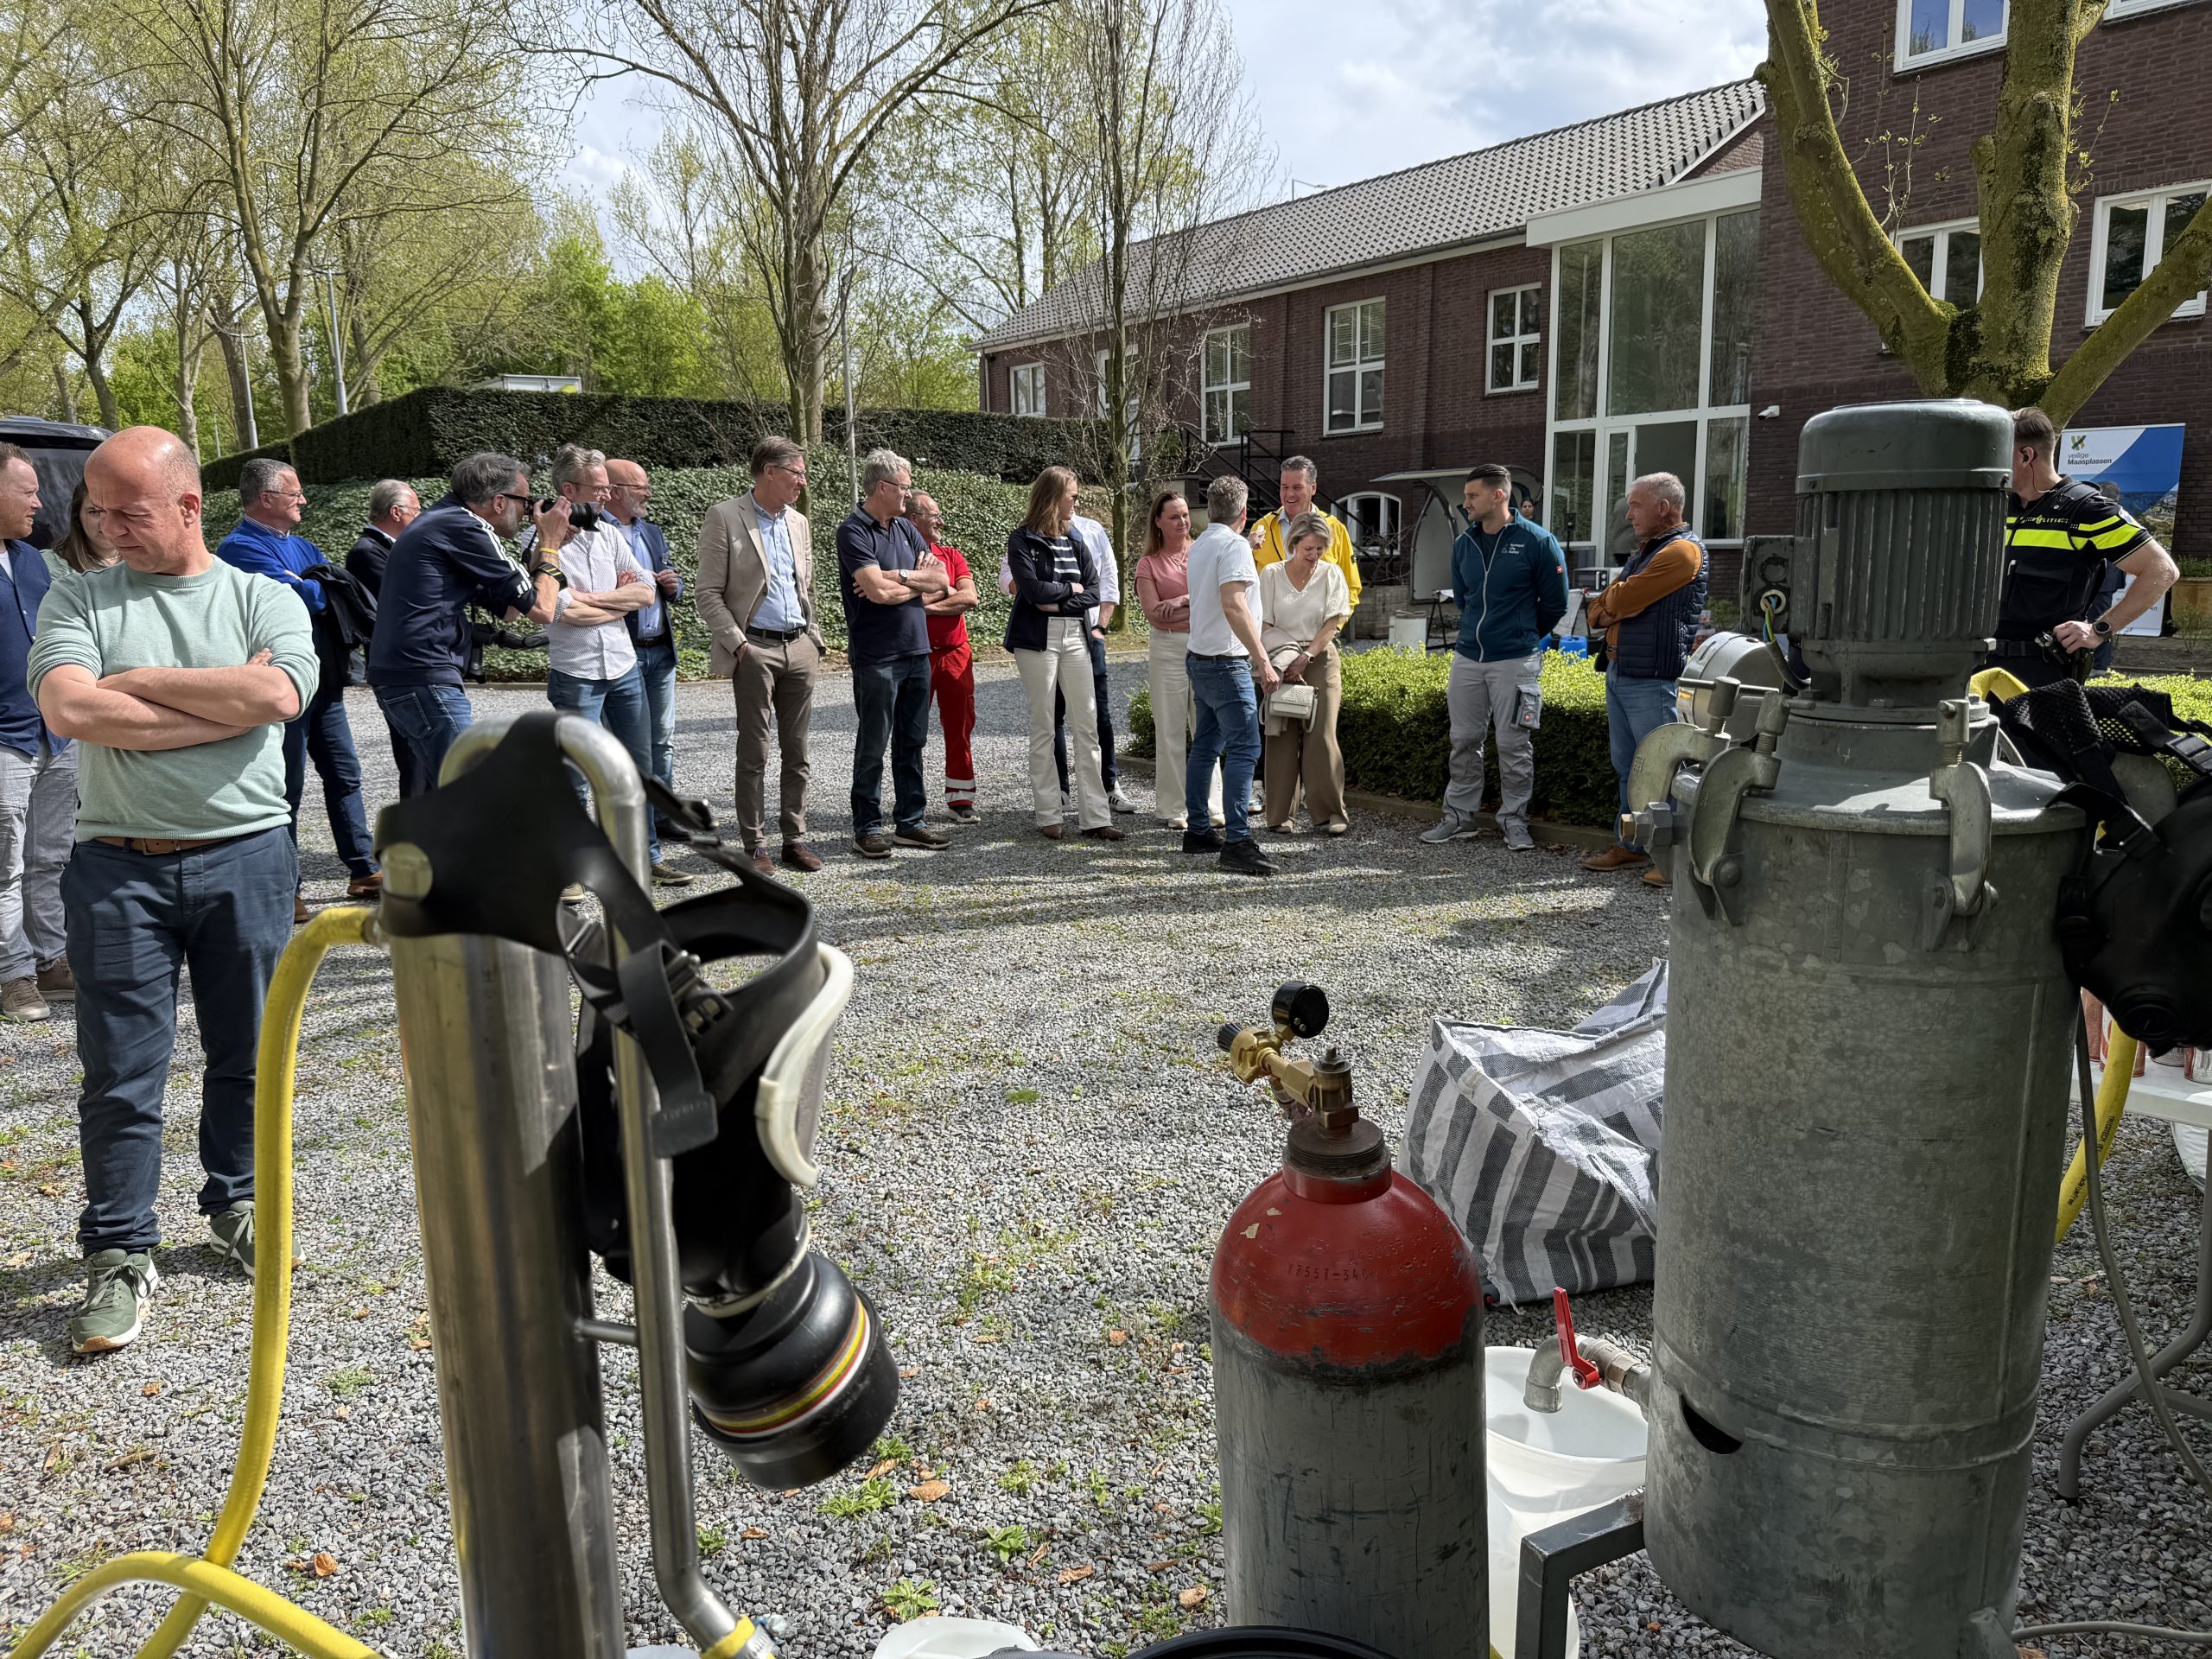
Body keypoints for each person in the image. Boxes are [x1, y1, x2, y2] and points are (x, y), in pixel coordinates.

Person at [28, 427, 320, 1354]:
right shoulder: (76, 595)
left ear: (190, 505)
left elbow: (278, 699)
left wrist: (141, 684)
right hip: (116, 864)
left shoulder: (263, 596)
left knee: (251, 1054)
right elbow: (71, 709)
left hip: (247, 856)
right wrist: (214, 709)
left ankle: (236, 1202)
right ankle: (119, 1252)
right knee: (120, 1072)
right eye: (97, 511)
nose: (108, 528)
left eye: (129, 511)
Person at [216, 460, 381, 914]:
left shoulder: (303, 544)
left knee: (345, 776)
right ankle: (286, 889)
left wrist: (317, 586)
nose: (303, 500)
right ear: (266, 499)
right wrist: (317, 586)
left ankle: (363, 869)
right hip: (280, 686)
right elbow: (305, 595)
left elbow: (334, 591)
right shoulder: (238, 548)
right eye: (295, 494)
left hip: (323, 684)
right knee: (285, 788)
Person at [365, 453, 567, 791]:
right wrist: (550, 544)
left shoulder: (443, 521)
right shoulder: (466, 526)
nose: (528, 511)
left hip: (406, 676)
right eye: (525, 501)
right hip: (424, 674)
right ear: (499, 501)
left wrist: (546, 550)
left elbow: (511, 609)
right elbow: (542, 611)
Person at [523, 445, 665, 874]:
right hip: (576, 671)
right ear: (569, 489)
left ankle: (645, 857)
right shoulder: (543, 544)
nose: (607, 496)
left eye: (607, 488)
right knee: (576, 775)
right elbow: (566, 611)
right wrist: (616, 604)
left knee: (637, 767)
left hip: (623, 666)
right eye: (599, 488)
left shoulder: (609, 534)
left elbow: (647, 591)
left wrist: (593, 598)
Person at [1421, 463, 1568, 852]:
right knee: (1464, 740)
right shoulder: (1464, 544)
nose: (1465, 502)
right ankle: (1459, 818)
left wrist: (1520, 636)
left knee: (1513, 744)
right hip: (1468, 658)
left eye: (1472, 496)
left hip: (1515, 661)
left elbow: (1555, 605)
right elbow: (1465, 599)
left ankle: (1515, 820)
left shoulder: (1538, 542)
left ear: (1498, 496)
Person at [696, 436, 826, 875]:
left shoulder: (799, 522)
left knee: (799, 751)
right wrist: (739, 644)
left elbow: (805, 587)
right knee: (755, 751)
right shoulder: (725, 516)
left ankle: (795, 839)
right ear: (769, 471)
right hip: (755, 648)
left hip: (798, 647)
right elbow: (708, 592)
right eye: (797, 473)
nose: (802, 482)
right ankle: (754, 844)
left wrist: (814, 638)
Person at [1986, 407, 2177, 688]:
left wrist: (2099, 630)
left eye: (1996, 453)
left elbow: (2162, 570)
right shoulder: (1997, 507)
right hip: (1981, 668)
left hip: (2042, 674)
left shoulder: (2085, 509)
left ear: (2026, 456)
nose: (1990, 463)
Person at [1580, 474, 1706, 889]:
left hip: (1653, 677)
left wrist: (1610, 605)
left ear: (1664, 508)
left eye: (1635, 505)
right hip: (1622, 672)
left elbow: (1620, 600)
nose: (1628, 513)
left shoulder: (1682, 552)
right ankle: (1634, 843)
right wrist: (1610, 605)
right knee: (1629, 769)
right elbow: (1600, 608)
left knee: (1662, 769)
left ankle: (1670, 857)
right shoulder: (1648, 552)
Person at [837, 448, 951, 858]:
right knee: (873, 742)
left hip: (916, 650)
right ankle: (866, 826)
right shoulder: (853, 531)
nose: (908, 495)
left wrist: (898, 576)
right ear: (882, 487)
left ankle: (910, 822)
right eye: (903, 488)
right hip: (877, 656)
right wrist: (910, 584)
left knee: (913, 740)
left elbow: (941, 580)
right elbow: (877, 593)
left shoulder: (906, 529)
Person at [997, 493, 1135, 814]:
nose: (1077, 500)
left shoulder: (1082, 534)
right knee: (1046, 720)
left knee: (1091, 718)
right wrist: (1064, 592)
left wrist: (1075, 613)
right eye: (1072, 495)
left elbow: (1098, 588)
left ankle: (1100, 806)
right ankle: (1053, 804)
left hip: (1083, 634)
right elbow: (1023, 587)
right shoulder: (1023, 538)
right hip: (1037, 637)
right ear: (1054, 496)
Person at [0, 446, 73, 1021]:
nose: (39, 501)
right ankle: (14, 976)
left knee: (50, 858)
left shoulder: (34, 561)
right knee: (6, 865)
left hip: (55, 734)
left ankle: (51, 959)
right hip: (5, 741)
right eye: (27, 491)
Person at [1184, 474, 1279, 876]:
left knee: (1205, 746)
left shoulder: (1203, 542)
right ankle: (1238, 841)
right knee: (1245, 749)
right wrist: (1263, 659)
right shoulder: (1234, 545)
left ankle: (1198, 830)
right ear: (1244, 512)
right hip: (1227, 661)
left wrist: (1247, 545)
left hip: (1200, 657)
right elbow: (1234, 603)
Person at [606, 458, 690, 882]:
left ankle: (661, 816)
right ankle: (630, 838)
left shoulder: (651, 531)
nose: (649, 493)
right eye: (641, 487)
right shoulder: (595, 532)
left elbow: (663, 586)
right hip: (622, 653)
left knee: (663, 740)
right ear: (615, 489)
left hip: (660, 649)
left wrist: (671, 586)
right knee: (628, 749)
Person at [1258, 512, 1353, 836]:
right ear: (1293, 544)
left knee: (1322, 736)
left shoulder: (1331, 574)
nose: (1314, 556)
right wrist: (1285, 662)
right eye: (1308, 549)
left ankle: (1330, 813)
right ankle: (1280, 815)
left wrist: (1307, 656)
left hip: (1320, 659)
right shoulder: (1270, 574)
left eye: (1320, 549)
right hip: (1280, 659)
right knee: (1281, 735)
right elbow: (1265, 624)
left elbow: (1332, 623)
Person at [1134, 488, 1222, 831]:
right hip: (1167, 648)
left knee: (1207, 728)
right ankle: (1173, 807)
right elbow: (1155, 615)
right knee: (1169, 728)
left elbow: (1216, 600)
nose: (1183, 521)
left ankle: (1212, 804)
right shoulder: (1148, 564)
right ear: (1158, 522)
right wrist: (1194, 604)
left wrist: (1183, 600)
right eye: (1174, 516)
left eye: (1185, 515)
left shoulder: (1203, 552)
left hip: (1204, 645)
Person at [345, 480, 424, 795]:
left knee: (428, 758)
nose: (421, 517)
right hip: (399, 667)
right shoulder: (367, 553)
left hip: (414, 663)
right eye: (416, 510)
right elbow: (408, 603)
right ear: (396, 512)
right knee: (415, 760)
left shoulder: (394, 549)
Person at [906, 490, 982, 822]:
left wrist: (925, 601)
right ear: (913, 519)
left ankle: (961, 799)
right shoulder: (901, 554)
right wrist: (946, 592)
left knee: (960, 724)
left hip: (954, 652)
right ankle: (911, 805)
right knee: (911, 730)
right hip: (915, 654)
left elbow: (969, 598)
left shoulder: (951, 555)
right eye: (933, 515)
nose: (941, 520)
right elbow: (898, 599)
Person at [1249, 456, 1364, 607]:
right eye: (1284, 487)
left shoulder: (1335, 529)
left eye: (1297, 488)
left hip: (1320, 629)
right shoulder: (1262, 528)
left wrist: (1334, 627)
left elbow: (1351, 587)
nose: (1289, 494)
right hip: (1271, 628)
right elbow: (1248, 586)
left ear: (1313, 488)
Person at [49, 478, 119, 576]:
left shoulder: (145, 562)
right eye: (94, 512)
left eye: (115, 511)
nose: (106, 523)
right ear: (77, 516)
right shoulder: (49, 566)